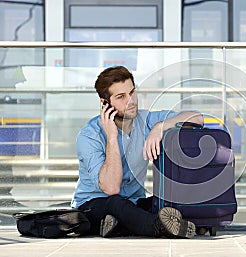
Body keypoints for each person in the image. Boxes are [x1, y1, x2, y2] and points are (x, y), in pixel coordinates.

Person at [71, 66, 203, 238]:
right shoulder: (89, 136)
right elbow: (111, 188)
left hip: (133, 203)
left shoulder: (145, 120)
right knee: (115, 204)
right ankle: (157, 227)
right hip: (92, 206)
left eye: (132, 93)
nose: (131, 101)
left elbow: (197, 118)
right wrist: (112, 137)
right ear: (105, 104)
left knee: (165, 201)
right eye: (121, 97)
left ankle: (118, 227)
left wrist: (160, 127)